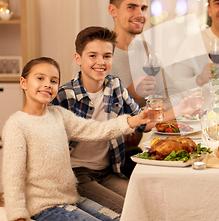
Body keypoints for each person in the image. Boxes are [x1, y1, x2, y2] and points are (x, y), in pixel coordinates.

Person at [51, 26, 193, 213]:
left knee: (150, 202)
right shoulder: (64, 96)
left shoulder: (115, 86)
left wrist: (182, 108)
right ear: (78, 58)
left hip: (108, 172)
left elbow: (143, 122)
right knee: (130, 210)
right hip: (77, 175)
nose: (100, 62)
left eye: (107, 56)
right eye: (92, 55)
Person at [2, 57, 150, 221]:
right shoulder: (17, 125)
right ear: (23, 82)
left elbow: (95, 130)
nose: (47, 84)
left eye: (53, 80)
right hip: (42, 207)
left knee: (122, 217)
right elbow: (12, 176)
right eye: (40, 78)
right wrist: (18, 217)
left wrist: (132, 121)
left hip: (70, 199)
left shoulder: (59, 115)